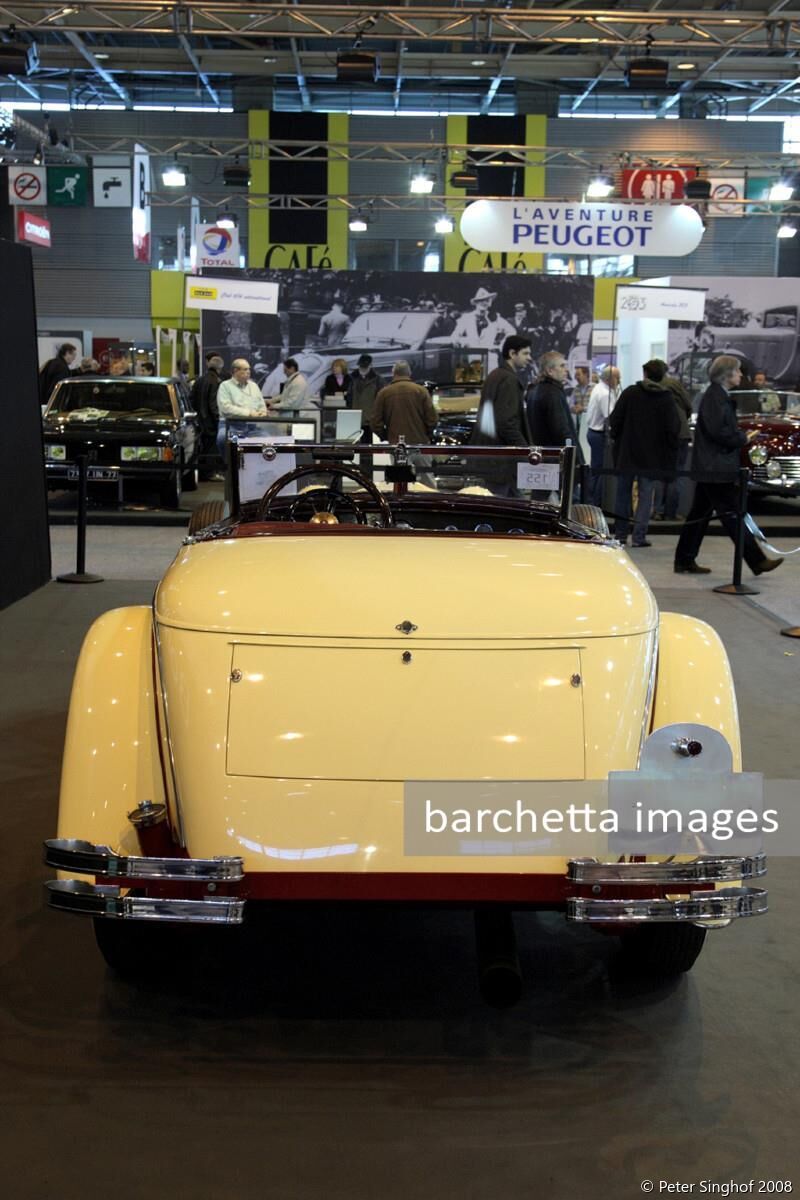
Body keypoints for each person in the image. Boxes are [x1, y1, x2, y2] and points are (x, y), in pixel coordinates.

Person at [674, 355, 783, 576]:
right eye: (738, 371)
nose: (741, 375)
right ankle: (757, 560)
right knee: (733, 515)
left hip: (711, 466)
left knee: (699, 516)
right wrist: (742, 438)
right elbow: (719, 431)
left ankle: (684, 559)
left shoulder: (717, 395)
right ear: (727, 375)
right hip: (716, 467)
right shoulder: (716, 397)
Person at [609, 359, 681, 548]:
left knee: (623, 493)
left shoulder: (630, 393)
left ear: (645, 374)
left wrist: (616, 438)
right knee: (645, 495)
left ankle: (621, 535)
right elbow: (673, 428)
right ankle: (639, 536)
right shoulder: (666, 399)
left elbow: (615, 419)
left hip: (627, 452)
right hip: (652, 456)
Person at [469, 335, 532, 497]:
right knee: (502, 508)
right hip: (501, 461)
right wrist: (525, 450)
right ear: (512, 354)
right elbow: (506, 422)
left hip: (491, 458)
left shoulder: (495, 375)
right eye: (525, 353)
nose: (529, 358)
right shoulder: (509, 380)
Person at [654, 369, 693, 520]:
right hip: (681, 434)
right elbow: (689, 406)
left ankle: (658, 510)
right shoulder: (676, 386)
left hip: (662, 435)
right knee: (677, 474)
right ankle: (672, 512)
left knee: (660, 475)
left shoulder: (654, 389)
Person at [526, 350, 581, 457]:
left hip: (541, 454)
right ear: (550, 371)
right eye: (562, 366)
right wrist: (575, 458)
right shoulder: (552, 393)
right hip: (556, 456)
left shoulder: (535, 390)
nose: (566, 370)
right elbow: (561, 430)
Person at [370, 360, 437, 446]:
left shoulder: (384, 393)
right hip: (420, 444)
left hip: (395, 444)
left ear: (393, 373)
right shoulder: (421, 391)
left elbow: (375, 423)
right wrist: (426, 434)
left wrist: (387, 436)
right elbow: (432, 419)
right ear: (409, 373)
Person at [216, 358, 267, 461]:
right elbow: (226, 408)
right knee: (222, 439)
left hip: (252, 428)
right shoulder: (225, 386)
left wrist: (263, 412)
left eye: (249, 369)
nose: (249, 372)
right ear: (235, 371)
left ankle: (256, 469)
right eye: (245, 369)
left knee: (269, 441)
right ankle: (231, 466)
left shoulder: (254, 386)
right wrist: (249, 413)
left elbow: (262, 405)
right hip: (231, 427)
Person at [453, 287, 514, 371]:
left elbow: (512, 331)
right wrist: (464, 342)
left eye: (486, 300)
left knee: (491, 383)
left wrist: (501, 345)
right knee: (471, 384)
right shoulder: (466, 318)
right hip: (470, 359)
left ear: (490, 303)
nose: (484, 303)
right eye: (481, 300)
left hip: (490, 359)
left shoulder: (495, 318)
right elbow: (455, 336)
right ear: (476, 303)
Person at [584, 365, 621, 506]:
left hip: (593, 433)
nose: (619, 381)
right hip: (599, 435)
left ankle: (592, 500)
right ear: (611, 378)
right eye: (618, 377)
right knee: (599, 471)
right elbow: (611, 416)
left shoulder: (599, 388)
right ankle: (595, 503)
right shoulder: (605, 393)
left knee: (596, 469)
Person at [189, 354, 224, 478]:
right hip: (210, 421)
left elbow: (191, 399)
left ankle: (203, 473)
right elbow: (213, 403)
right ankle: (210, 473)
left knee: (203, 448)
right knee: (211, 448)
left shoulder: (199, 379)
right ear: (220, 368)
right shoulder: (216, 381)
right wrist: (217, 418)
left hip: (200, 420)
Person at [350, 353, 383, 442]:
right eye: (361, 366)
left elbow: (381, 399)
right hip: (354, 418)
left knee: (368, 445)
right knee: (353, 446)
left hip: (370, 419)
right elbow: (348, 397)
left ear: (370, 366)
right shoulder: (351, 378)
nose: (363, 369)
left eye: (365, 367)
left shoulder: (377, 379)